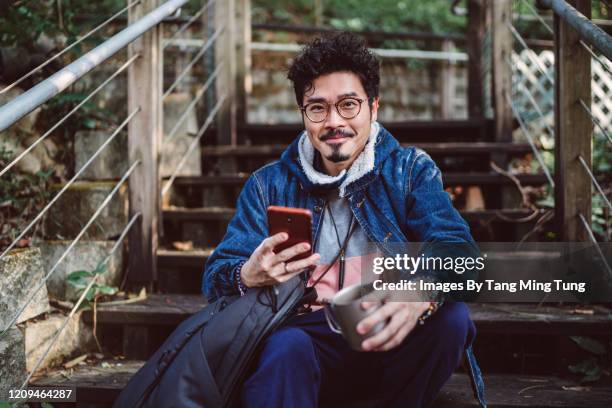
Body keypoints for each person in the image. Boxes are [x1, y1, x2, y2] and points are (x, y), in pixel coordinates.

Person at [203, 32, 485, 408]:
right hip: (305, 340)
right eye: (317, 108)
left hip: (388, 331)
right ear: (303, 115)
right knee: (286, 344)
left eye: (349, 105)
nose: (334, 121)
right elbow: (217, 275)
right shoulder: (266, 184)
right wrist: (246, 274)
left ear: (374, 107)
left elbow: (460, 254)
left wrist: (422, 290)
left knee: (452, 319)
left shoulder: (410, 170)